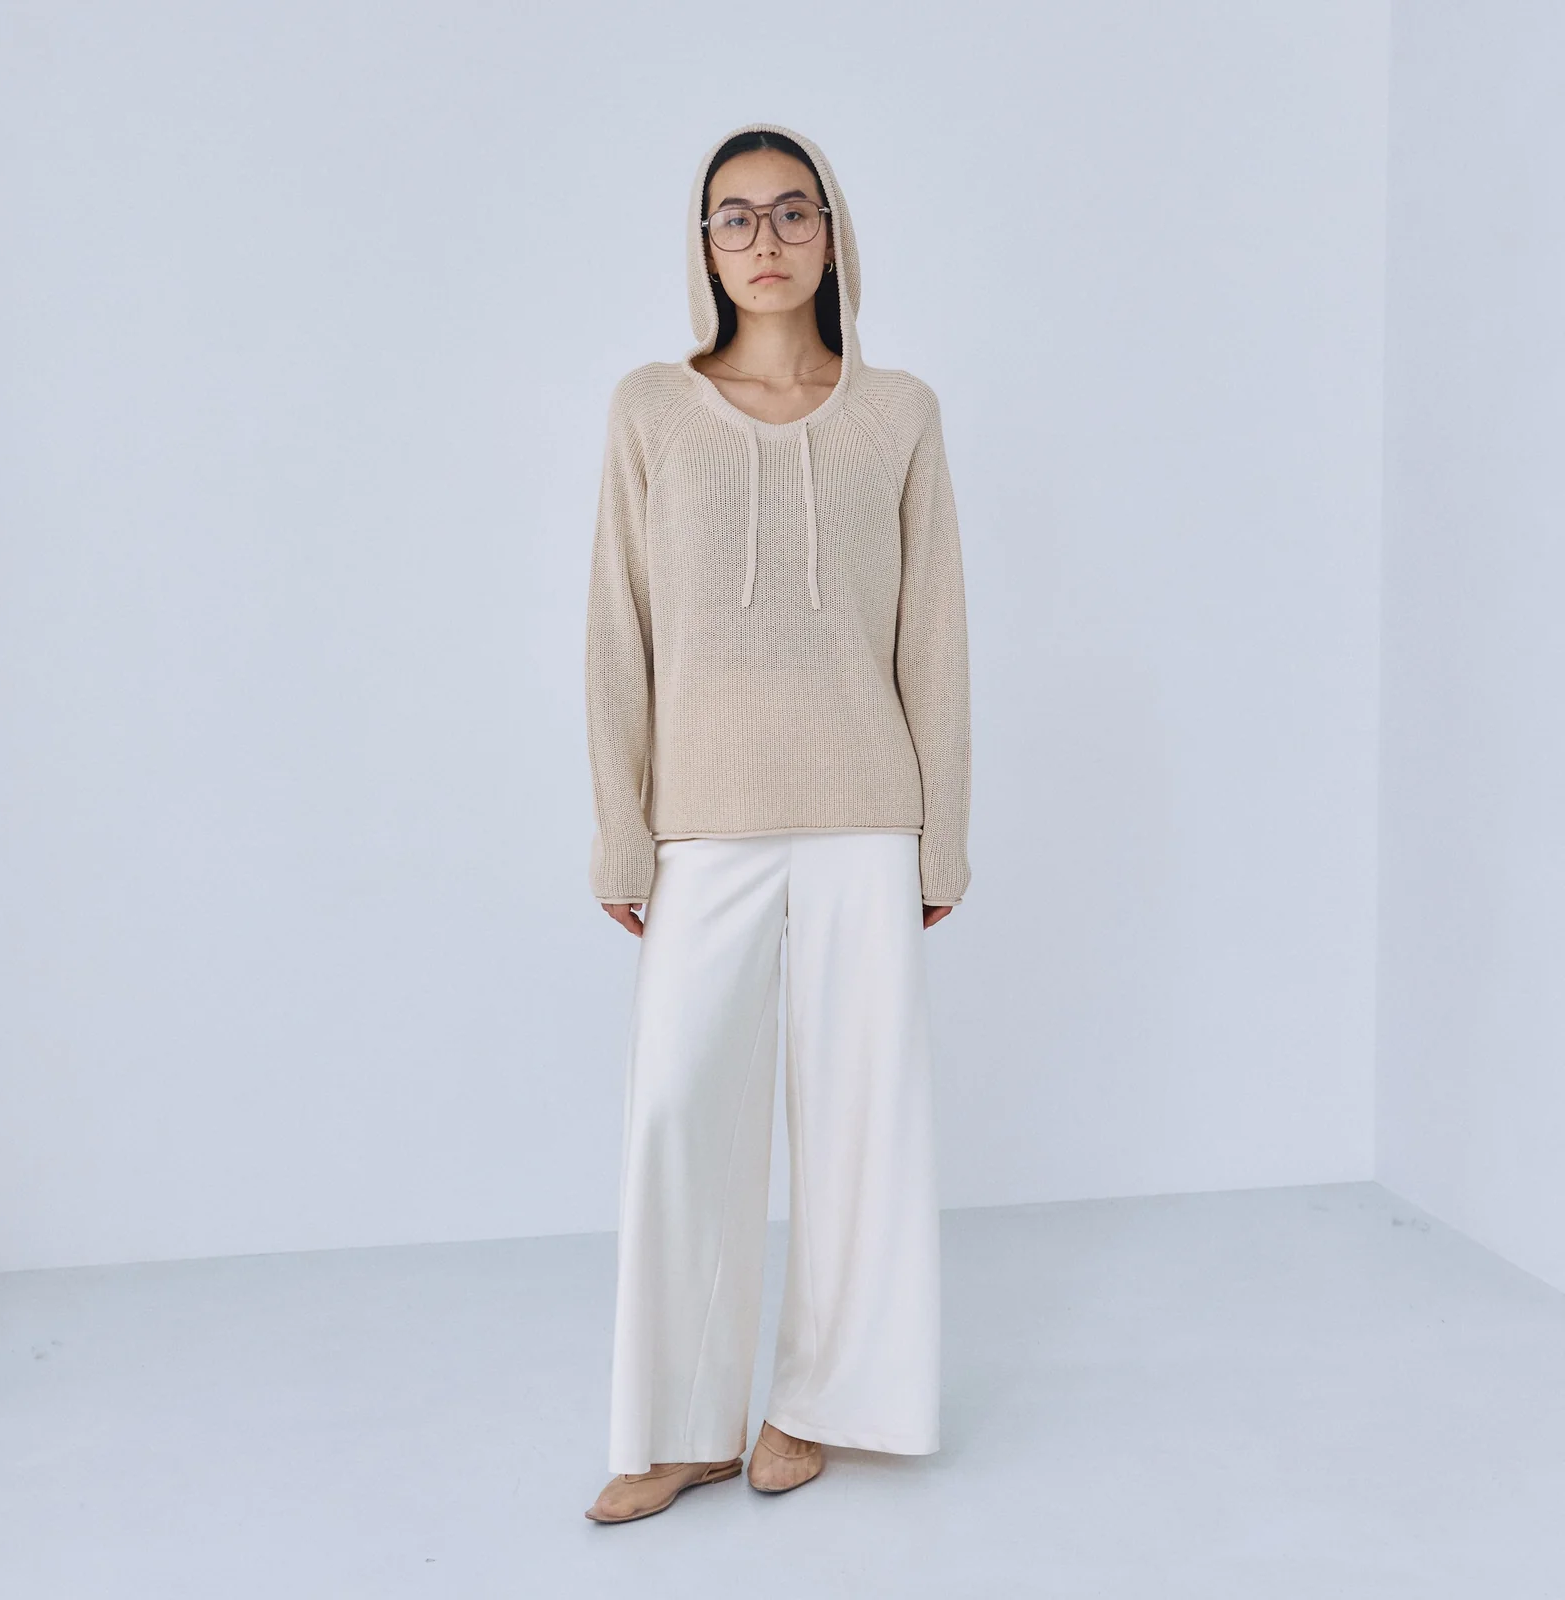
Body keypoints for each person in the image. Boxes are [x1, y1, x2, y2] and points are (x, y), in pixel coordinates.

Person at [581, 121, 972, 1524]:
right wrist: (622, 829)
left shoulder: (900, 412)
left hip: (866, 810)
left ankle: (823, 1401)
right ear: (704, 246)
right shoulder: (649, 407)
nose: (765, 239)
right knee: (680, 1110)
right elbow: (616, 630)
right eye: (735, 217)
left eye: (792, 212)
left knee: (864, 1120)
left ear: (833, 234)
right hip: (705, 819)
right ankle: (679, 1426)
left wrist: (943, 833)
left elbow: (934, 634)